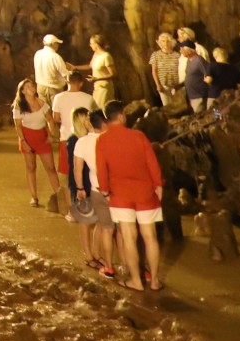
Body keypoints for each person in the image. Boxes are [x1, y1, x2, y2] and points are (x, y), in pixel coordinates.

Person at [93, 103, 165, 291]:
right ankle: (155, 280)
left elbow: (102, 170)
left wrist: (105, 190)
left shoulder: (103, 140)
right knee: (150, 237)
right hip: (145, 192)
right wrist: (158, 184)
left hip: (120, 194)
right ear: (122, 116)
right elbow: (152, 163)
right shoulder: (138, 136)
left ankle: (136, 281)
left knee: (129, 237)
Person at [66, 108, 117, 278]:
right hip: (89, 185)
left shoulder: (83, 141)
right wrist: (79, 188)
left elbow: (78, 166)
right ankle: (89, 256)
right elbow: (76, 167)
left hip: (90, 183)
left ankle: (96, 253)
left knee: (100, 223)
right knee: (88, 221)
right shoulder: (77, 141)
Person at [10, 78, 61, 208]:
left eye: (32, 86)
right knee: (31, 167)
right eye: (27, 87)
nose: (31, 88)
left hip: (41, 137)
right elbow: (17, 126)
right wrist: (23, 141)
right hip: (27, 137)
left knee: (50, 168)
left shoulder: (41, 103)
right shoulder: (19, 105)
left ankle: (59, 195)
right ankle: (34, 197)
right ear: (22, 91)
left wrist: (52, 134)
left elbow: (50, 119)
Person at [49, 72, 94, 147]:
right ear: (81, 83)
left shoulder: (58, 97)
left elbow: (56, 119)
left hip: (65, 137)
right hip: (84, 137)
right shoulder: (89, 98)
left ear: (67, 82)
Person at [33, 32, 70, 107]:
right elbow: (65, 75)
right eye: (57, 43)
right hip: (54, 89)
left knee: (44, 111)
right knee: (56, 110)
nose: (58, 45)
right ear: (53, 44)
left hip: (40, 87)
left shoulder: (37, 54)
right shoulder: (55, 57)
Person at [148, 31, 182, 110]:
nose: (166, 43)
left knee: (177, 107)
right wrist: (158, 85)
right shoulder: (155, 55)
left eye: (168, 41)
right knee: (167, 107)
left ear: (171, 42)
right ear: (160, 43)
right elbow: (154, 71)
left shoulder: (177, 55)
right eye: (163, 41)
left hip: (176, 85)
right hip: (164, 85)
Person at [181, 40, 214, 115]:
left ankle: (219, 118)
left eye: (182, 48)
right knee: (199, 115)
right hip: (193, 95)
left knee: (204, 113)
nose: (180, 50)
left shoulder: (199, 60)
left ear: (189, 50)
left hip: (200, 95)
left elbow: (208, 74)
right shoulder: (189, 61)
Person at [88, 34, 116, 109]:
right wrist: (74, 67)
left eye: (91, 43)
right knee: (94, 109)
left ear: (96, 44)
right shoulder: (96, 55)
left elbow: (113, 74)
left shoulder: (106, 56)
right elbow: (89, 66)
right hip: (97, 87)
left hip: (105, 88)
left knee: (102, 110)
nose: (90, 45)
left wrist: (97, 79)